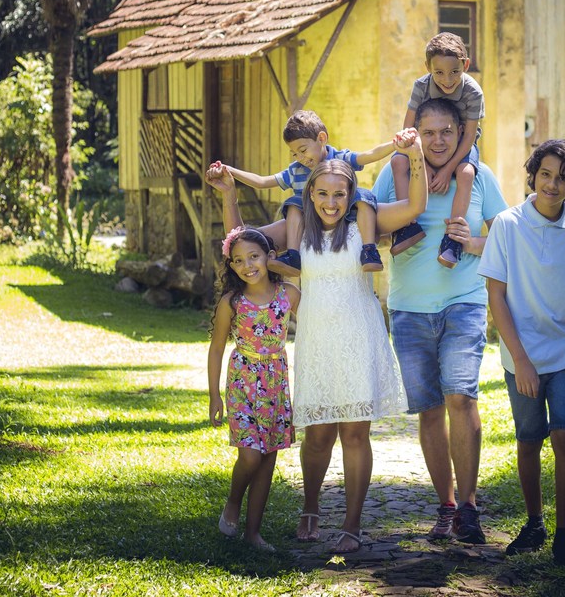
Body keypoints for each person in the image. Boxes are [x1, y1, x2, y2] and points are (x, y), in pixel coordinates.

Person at [207, 129, 427, 553]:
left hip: (360, 337)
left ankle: (352, 524)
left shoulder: (367, 222)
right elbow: (243, 246)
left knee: (355, 435)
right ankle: (310, 509)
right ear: (310, 195)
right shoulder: (297, 232)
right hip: (316, 341)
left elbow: (416, 205)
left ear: (351, 195)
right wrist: (229, 195)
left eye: (339, 195)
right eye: (322, 194)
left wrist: (414, 155)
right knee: (319, 435)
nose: (330, 202)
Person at [371, 98, 508, 544]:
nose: (437, 140)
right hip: (409, 309)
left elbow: (505, 242)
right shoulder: (394, 174)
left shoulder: (479, 176)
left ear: (459, 133)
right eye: (428, 132)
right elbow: (369, 229)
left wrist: (471, 243)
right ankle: (446, 506)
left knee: (461, 398)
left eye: (446, 131)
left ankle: (469, 507)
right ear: (417, 133)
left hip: (463, 304)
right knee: (428, 410)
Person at [477, 139, 565, 566]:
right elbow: (495, 296)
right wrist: (520, 361)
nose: (553, 184)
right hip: (522, 355)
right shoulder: (507, 225)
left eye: (563, 178)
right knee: (529, 438)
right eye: (546, 174)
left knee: (564, 435)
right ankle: (534, 525)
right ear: (534, 175)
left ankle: (564, 535)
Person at [207, 226, 302, 552]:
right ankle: (233, 502)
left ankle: (253, 532)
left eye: (254, 257)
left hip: (276, 381)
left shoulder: (288, 294)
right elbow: (217, 348)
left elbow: (317, 326)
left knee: (268, 458)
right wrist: (214, 395)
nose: (247, 265)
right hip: (243, 381)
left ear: (268, 258)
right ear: (231, 266)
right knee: (250, 454)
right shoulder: (232, 303)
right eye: (238, 260)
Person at [219, 109, 400, 277]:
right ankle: (293, 256)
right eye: (295, 154)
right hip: (310, 219)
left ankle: (369, 251)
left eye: (303, 150)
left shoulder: (339, 159)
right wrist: (231, 171)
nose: (301, 158)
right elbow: (262, 181)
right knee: (293, 204)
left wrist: (396, 144)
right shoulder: (296, 170)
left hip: (344, 214)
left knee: (364, 197)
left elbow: (370, 154)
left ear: (322, 138)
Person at [389, 32, 484, 268]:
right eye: (439, 72)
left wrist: (446, 170)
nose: (447, 79)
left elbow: (470, 136)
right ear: (427, 67)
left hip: (461, 144)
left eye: (455, 72)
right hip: (424, 145)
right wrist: (423, 163)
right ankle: (406, 225)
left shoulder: (473, 93)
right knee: (398, 162)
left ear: (466, 65)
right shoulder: (421, 86)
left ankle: (452, 239)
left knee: (466, 174)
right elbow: (408, 128)